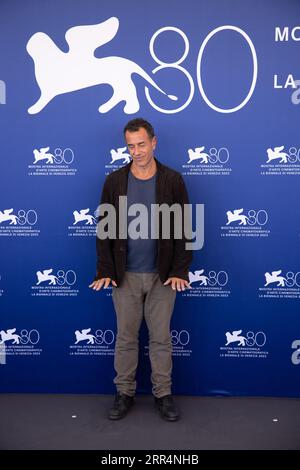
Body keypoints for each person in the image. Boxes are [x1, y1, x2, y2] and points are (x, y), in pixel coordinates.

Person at [89, 118, 192, 421]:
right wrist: (105, 269)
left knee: (161, 338)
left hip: (163, 276)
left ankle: (163, 394)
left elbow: (185, 229)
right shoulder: (115, 181)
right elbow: (104, 231)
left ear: (154, 142)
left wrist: (180, 270)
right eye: (131, 146)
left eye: (142, 144)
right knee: (126, 338)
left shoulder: (172, 180)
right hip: (125, 276)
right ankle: (124, 393)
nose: (137, 151)